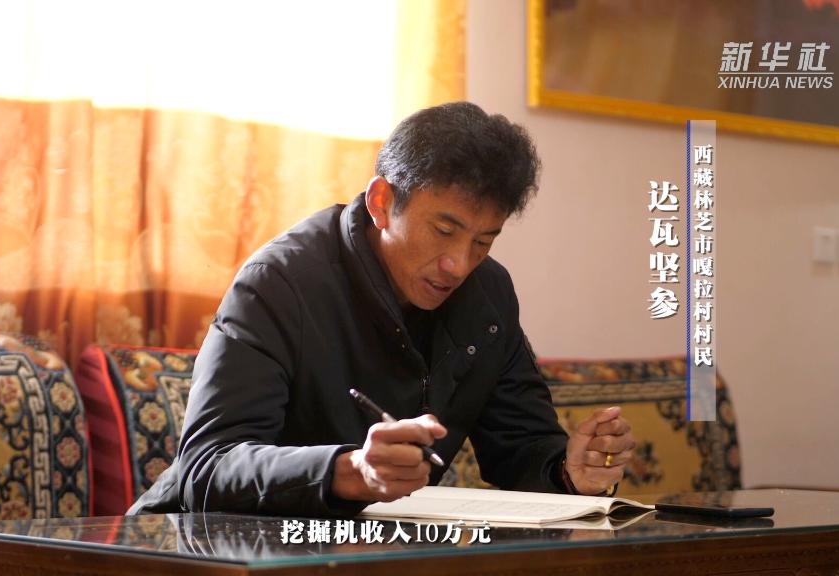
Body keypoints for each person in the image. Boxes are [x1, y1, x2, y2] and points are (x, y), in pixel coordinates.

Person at [129, 102, 635, 517]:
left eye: (483, 241)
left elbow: (521, 445)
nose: (459, 265)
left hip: (365, 553)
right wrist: (348, 471)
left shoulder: (488, 295)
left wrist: (570, 473)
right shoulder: (280, 281)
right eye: (444, 230)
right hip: (195, 550)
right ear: (381, 202)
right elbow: (207, 467)